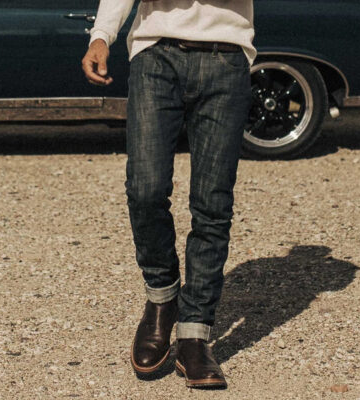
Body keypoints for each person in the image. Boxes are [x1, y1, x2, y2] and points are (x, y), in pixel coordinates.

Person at [82, 0, 256, 389]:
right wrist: (102, 35)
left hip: (226, 57)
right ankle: (162, 298)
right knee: (145, 189)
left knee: (212, 204)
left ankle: (194, 335)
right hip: (156, 55)